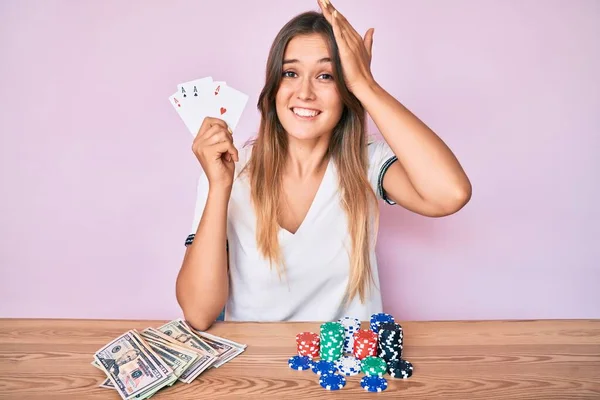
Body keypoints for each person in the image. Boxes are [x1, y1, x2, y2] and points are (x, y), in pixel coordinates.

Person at [176, 0, 472, 331]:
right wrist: (219, 187)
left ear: (345, 91)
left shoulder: (366, 161)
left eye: (326, 76)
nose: (304, 92)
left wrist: (365, 85)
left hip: (348, 369)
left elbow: (451, 194)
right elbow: (199, 314)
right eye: (290, 73)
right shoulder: (229, 168)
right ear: (274, 87)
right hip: (258, 369)